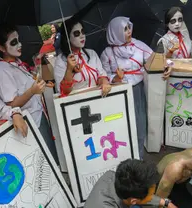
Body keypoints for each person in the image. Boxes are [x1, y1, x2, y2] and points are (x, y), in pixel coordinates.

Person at [100, 16, 171, 157]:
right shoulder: (107, 53)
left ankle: (138, 158)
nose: (128, 32)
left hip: (137, 89)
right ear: (115, 32)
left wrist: (168, 66)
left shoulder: (139, 45)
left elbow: (156, 60)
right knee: (120, 126)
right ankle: (121, 157)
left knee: (139, 124)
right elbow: (103, 76)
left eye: (129, 28)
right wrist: (116, 78)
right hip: (117, 92)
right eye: (124, 29)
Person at [0, 23, 59, 164]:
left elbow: (33, 83)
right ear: (2, 48)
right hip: (30, 123)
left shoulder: (18, 63)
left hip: (39, 116)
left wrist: (41, 77)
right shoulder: (1, 72)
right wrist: (32, 91)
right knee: (45, 162)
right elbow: (11, 104)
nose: (19, 45)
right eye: (14, 42)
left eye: (19, 40)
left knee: (52, 156)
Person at [53, 17, 111, 97]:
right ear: (67, 37)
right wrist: (69, 70)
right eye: (77, 33)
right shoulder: (61, 60)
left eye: (83, 32)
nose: (82, 36)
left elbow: (101, 75)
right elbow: (63, 92)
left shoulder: (92, 54)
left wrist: (104, 83)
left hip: (98, 99)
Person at [85, 159, 177, 208]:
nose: (152, 196)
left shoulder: (117, 177)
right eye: (151, 194)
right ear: (133, 201)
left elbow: (141, 194)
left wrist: (166, 202)